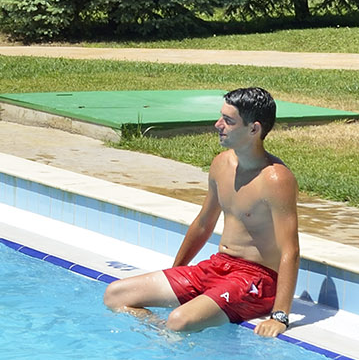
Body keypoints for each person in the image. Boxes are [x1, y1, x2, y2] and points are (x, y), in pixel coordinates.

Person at [103, 86, 301, 336]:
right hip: (218, 267)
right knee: (115, 295)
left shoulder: (275, 179)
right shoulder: (221, 164)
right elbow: (204, 223)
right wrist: (176, 270)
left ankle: (169, 336)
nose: (218, 125)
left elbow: (290, 250)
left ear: (254, 129)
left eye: (228, 121)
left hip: (255, 280)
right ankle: (163, 336)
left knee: (179, 320)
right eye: (221, 117)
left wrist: (280, 316)